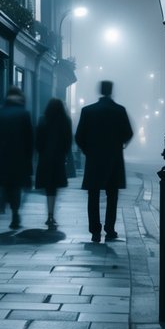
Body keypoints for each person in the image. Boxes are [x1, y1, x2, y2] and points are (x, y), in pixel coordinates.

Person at [75, 80, 133, 243]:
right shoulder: (119, 110)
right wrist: (118, 144)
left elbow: (79, 136)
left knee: (93, 195)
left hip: (94, 159)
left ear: (100, 90)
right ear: (111, 90)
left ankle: (95, 231)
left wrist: (88, 150)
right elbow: (128, 133)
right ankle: (110, 229)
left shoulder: (88, 111)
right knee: (112, 195)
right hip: (113, 159)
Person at [0, 86, 34, 230]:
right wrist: (29, 160)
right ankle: (15, 213)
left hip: (2, 156)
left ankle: (3, 205)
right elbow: (29, 139)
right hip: (19, 157)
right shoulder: (24, 113)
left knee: (6, 184)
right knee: (16, 186)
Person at [35, 98, 73, 230]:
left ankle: (49, 214)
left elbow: (38, 140)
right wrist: (64, 154)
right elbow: (68, 141)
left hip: (45, 158)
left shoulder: (42, 120)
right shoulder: (66, 121)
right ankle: (51, 214)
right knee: (54, 188)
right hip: (58, 158)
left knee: (48, 188)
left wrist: (42, 152)